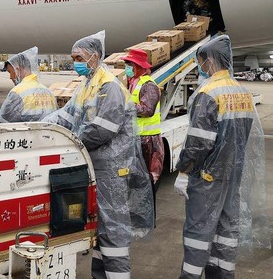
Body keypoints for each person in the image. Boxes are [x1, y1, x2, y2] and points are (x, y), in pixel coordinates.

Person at [43, 31, 154, 279]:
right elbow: (68, 114)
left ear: (94, 56)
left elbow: (102, 130)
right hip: (97, 167)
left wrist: (73, 143)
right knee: (99, 228)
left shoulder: (109, 86)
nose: (75, 63)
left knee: (113, 229)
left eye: (78, 57)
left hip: (112, 170)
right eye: (73, 58)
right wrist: (43, 127)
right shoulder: (88, 85)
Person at [173, 35, 270, 278]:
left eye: (201, 61)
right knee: (226, 236)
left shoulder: (207, 93)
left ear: (210, 61)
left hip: (207, 180)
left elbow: (198, 142)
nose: (200, 66)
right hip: (232, 177)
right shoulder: (243, 93)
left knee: (198, 236)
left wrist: (184, 171)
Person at [121, 48, 164, 220]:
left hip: (149, 142)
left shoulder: (148, 85)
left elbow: (147, 110)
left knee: (148, 180)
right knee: (137, 180)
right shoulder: (133, 83)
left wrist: (124, 107)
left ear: (138, 66)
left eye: (129, 64)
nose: (127, 68)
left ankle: (147, 218)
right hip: (138, 139)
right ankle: (138, 215)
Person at [0, 47, 56, 123]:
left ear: (17, 69)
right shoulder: (48, 92)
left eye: (10, 72)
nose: (11, 77)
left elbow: (2, 123)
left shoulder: (17, 93)